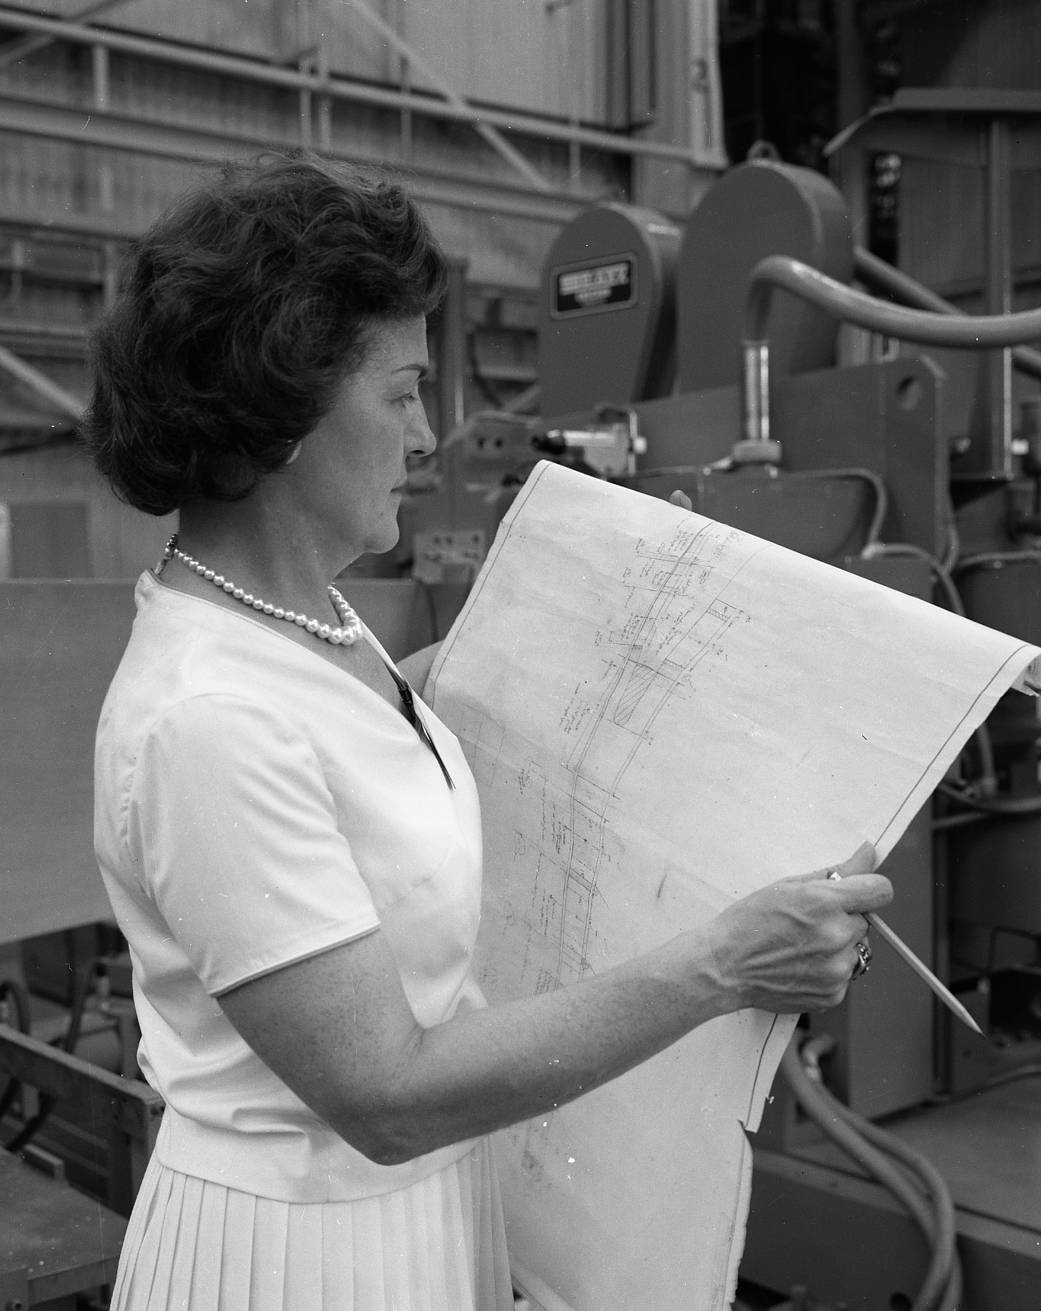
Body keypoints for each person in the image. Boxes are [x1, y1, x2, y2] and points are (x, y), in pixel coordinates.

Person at [82, 149, 893, 1311]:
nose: (429, 437)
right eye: (401, 394)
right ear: (285, 406)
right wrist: (723, 962)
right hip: (303, 1260)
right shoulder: (208, 719)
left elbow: (358, 739)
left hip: (418, 1222)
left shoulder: (311, 622)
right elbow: (389, 1094)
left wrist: (581, 634)